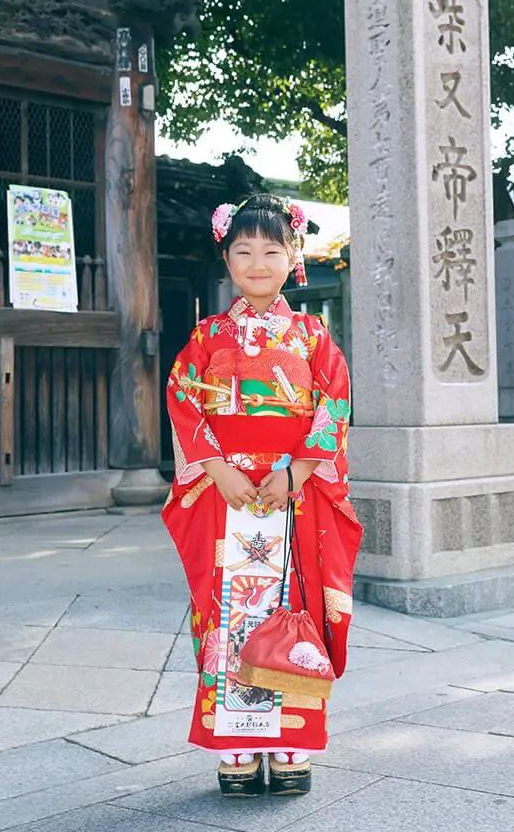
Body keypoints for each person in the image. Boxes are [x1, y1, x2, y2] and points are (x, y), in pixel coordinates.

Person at [163, 193, 362, 798]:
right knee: (228, 615)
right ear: (226, 258)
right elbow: (182, 399)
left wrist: (298, 473)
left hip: (293, 499)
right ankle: (239, 745)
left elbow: (334, 404)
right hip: (228, 497)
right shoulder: (205, 337)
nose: (257, 262)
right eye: (243, 250)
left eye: (271, 250)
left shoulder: (311, 337)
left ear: (292, 256)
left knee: (296, 609)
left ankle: (292, 744)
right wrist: (217, 469)